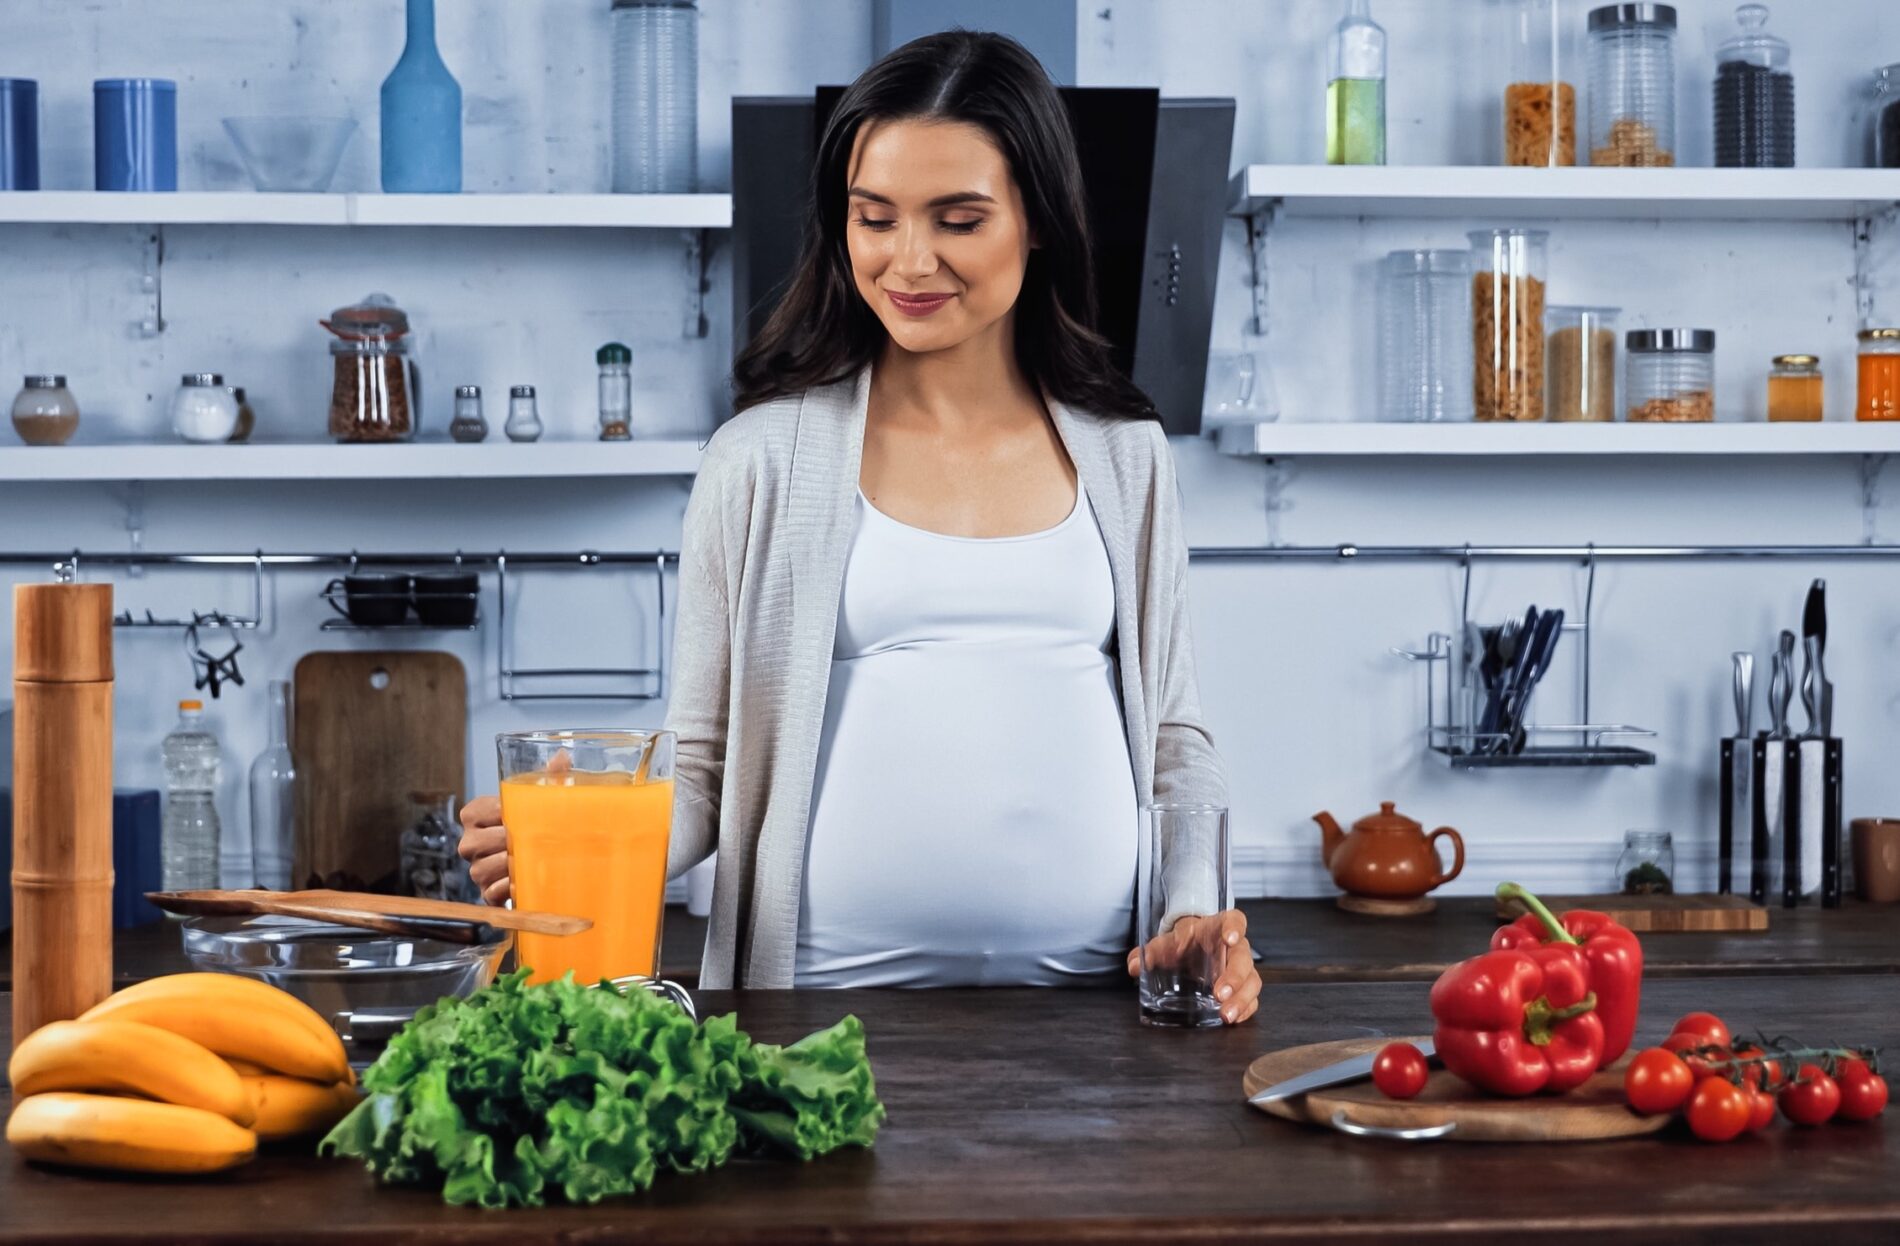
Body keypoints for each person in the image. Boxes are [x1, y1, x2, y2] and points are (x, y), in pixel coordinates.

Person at [460, 30, 1259, 1021]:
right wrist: (592, 829)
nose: (909, 260)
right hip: (815, 1016)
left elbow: (1175, 738)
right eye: (874, 218)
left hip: (1099, 1024)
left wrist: (1194, 909)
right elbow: (704, 762)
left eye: (958, 220)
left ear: (1038, 220)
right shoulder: (758, 460)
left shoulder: (1126, 453)